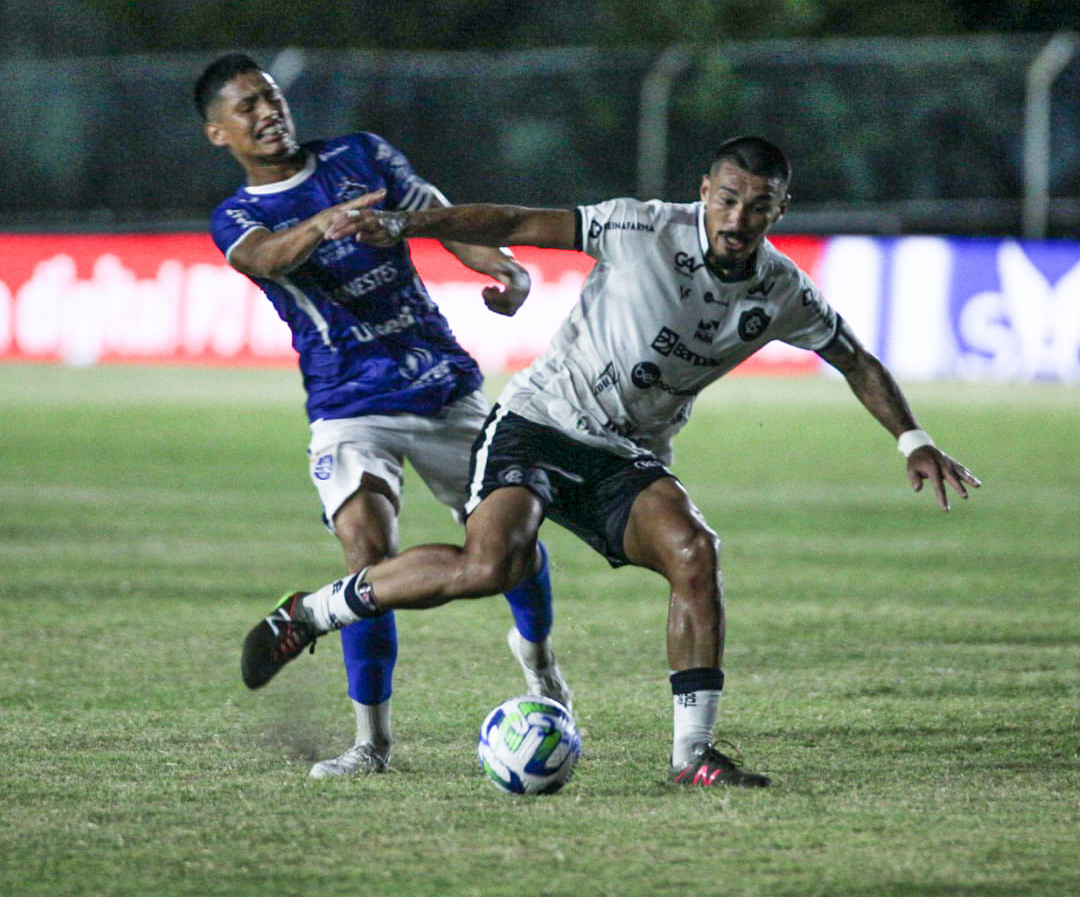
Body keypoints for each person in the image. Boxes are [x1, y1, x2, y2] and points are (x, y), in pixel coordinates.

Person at [241, 135, 980, 788]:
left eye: (759, 206)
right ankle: (313, 612)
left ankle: (692, 755)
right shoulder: (641, 227)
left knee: (695, 551)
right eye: (728, 199)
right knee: (490, 565)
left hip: (626, 456)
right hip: (539, 422)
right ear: (705, 192)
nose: (738, 218)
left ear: (779, 211)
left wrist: (911, 439)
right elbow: (514, 222)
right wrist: (406, 224)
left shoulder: (779, 289)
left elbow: (853, 357)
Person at [198, 52, 570, 778]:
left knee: (511, 544)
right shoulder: (238, 215)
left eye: (271, 98)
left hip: (440, 384)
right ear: (219, 133)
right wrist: (330, 221)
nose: (267, 113)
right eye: (247, 107)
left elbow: (439, 219)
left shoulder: (361, 155)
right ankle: (371, 744)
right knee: (365, 555)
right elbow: (269, 258)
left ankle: (539, 661)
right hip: (347, 403)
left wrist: (504, 267)